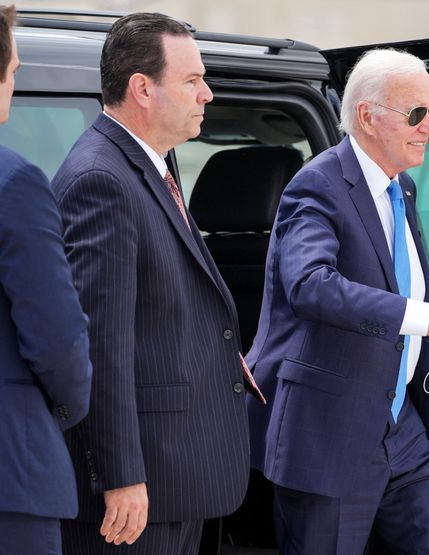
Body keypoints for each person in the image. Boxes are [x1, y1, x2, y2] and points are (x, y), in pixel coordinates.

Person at [245, 48, 429, 554]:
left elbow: (394, 281)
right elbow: (309, 284)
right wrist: (420, 318)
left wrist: (428, 343)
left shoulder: (404, 188)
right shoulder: (319, 184)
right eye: (416, 114)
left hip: (401, 432)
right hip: (329, 435)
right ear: (367, 117)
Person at [52, 12, 259, 554]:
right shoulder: (103, 179)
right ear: (141, 88)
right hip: (137, 491)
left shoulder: (147, 166)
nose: (207, 94)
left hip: (173, 479)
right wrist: (120, 475)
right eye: (192, 81)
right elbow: (99, 344)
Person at [0, 5, 93, 554]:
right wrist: (62, 411)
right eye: (14, 70)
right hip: (10, 474)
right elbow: (58, 337)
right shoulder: (14, 182)